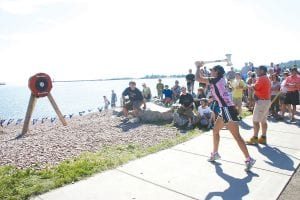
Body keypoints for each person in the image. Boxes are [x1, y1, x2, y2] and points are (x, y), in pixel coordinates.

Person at [195, 61, 255, 171]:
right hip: (225, 109)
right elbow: (221, 93)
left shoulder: (216, 79)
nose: (210, 72)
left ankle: (249, 159)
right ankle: (215, 153)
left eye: (212, 70)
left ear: (216, 72)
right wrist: (212, 99)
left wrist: (198, 66)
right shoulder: (219, 80)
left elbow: (198, 78)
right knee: (215, 130)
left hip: (227, 109)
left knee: (236, 136)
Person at [246, 65, 271, 145]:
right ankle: (263, 137)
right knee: (263, 120)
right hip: (265, 101)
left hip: (261, 102)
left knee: (255, 121)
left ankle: (255, 138)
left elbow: (256, 87)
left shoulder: (262, 78)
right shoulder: (266, 78)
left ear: (262, 71)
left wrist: (250, 86)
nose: (256, 71)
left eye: (258, 70)